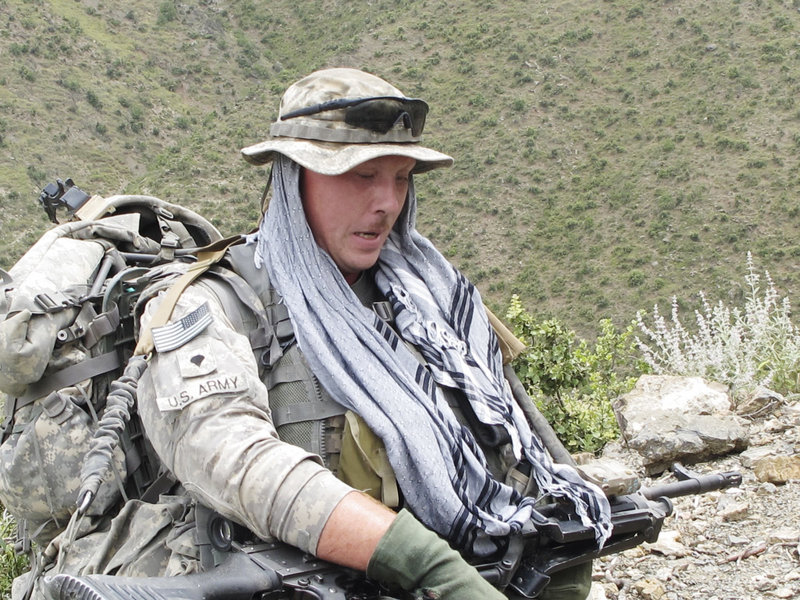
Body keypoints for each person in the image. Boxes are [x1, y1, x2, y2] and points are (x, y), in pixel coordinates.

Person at [20, 67, 611, 600]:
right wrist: (428, 564)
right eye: (361, 176)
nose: (386, 203)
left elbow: (506, 442)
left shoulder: (428, 298)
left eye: (402, 178)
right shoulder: (208, 303)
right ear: (293, 179)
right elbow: (230, 457)